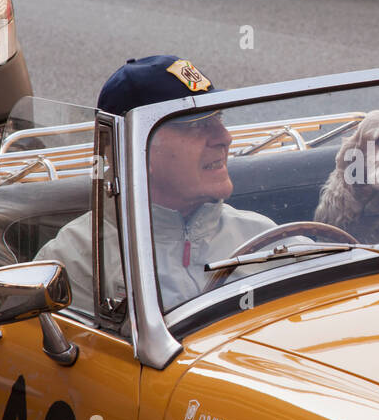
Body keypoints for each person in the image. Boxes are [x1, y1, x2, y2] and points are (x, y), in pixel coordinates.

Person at [35, 57, 276, 316]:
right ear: (135, 148)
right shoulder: (76, 260)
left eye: (219, 118)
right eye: (196, 125)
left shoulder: (266, 237)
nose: (224, 138)